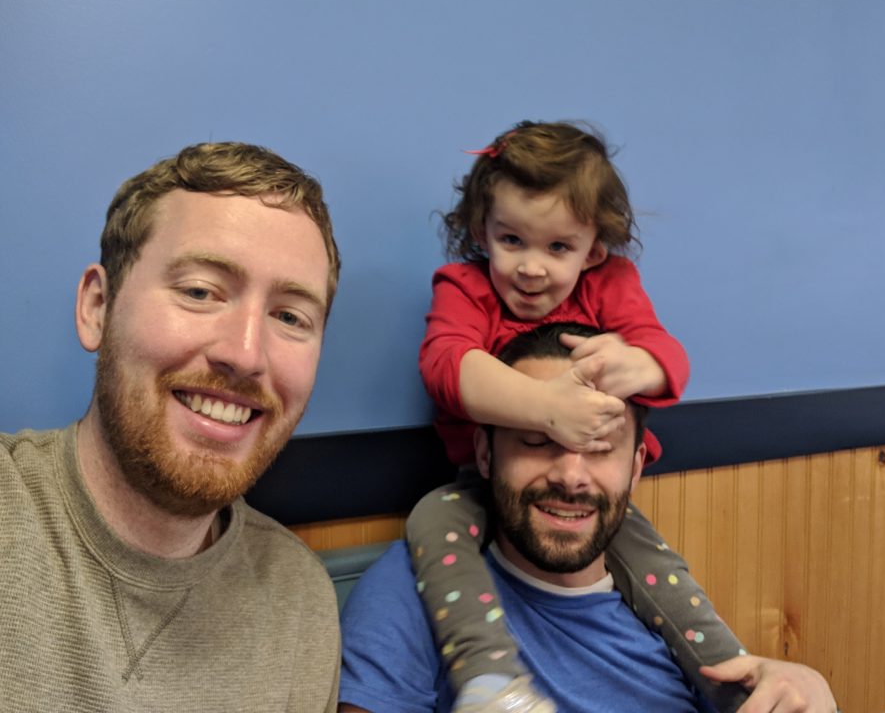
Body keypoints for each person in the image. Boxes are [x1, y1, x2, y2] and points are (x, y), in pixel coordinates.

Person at [410, 121, 748, 712]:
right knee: (431, 521)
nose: (531, 267)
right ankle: (490, 681)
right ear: (481, 231)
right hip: (484, 482)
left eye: (558, 248)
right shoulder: (465, 287)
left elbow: (669, 358)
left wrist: (638, 363)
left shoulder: (610, 284)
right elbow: (444, 365)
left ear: (593, 249)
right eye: (512, 240)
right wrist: (548, 410)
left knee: (660, 572)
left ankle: (737, 683)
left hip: (596, 494)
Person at [0, 142, 343, 712]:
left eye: (289, 316)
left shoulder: (300, 601)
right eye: (200, 292)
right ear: (97, 307)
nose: (246, 354)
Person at [340, 323, 839, 713]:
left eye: (600, 447)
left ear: (636, 466)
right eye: (537, 441)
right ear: (485, 455)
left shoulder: (671, 614)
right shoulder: (415, 588)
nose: (571, 476)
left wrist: (806, 686)